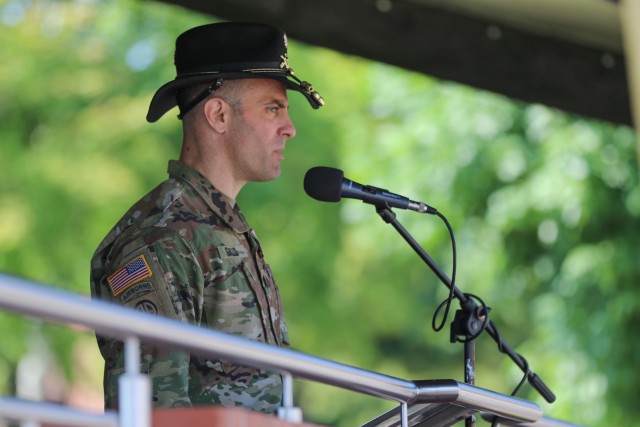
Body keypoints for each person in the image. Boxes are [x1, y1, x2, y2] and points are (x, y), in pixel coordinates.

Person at [89, 22, 323, 414]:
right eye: (273, 108)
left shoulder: (224, 228)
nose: (290, 128)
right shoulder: (162, 238)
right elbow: (156, 413)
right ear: (218, 115)